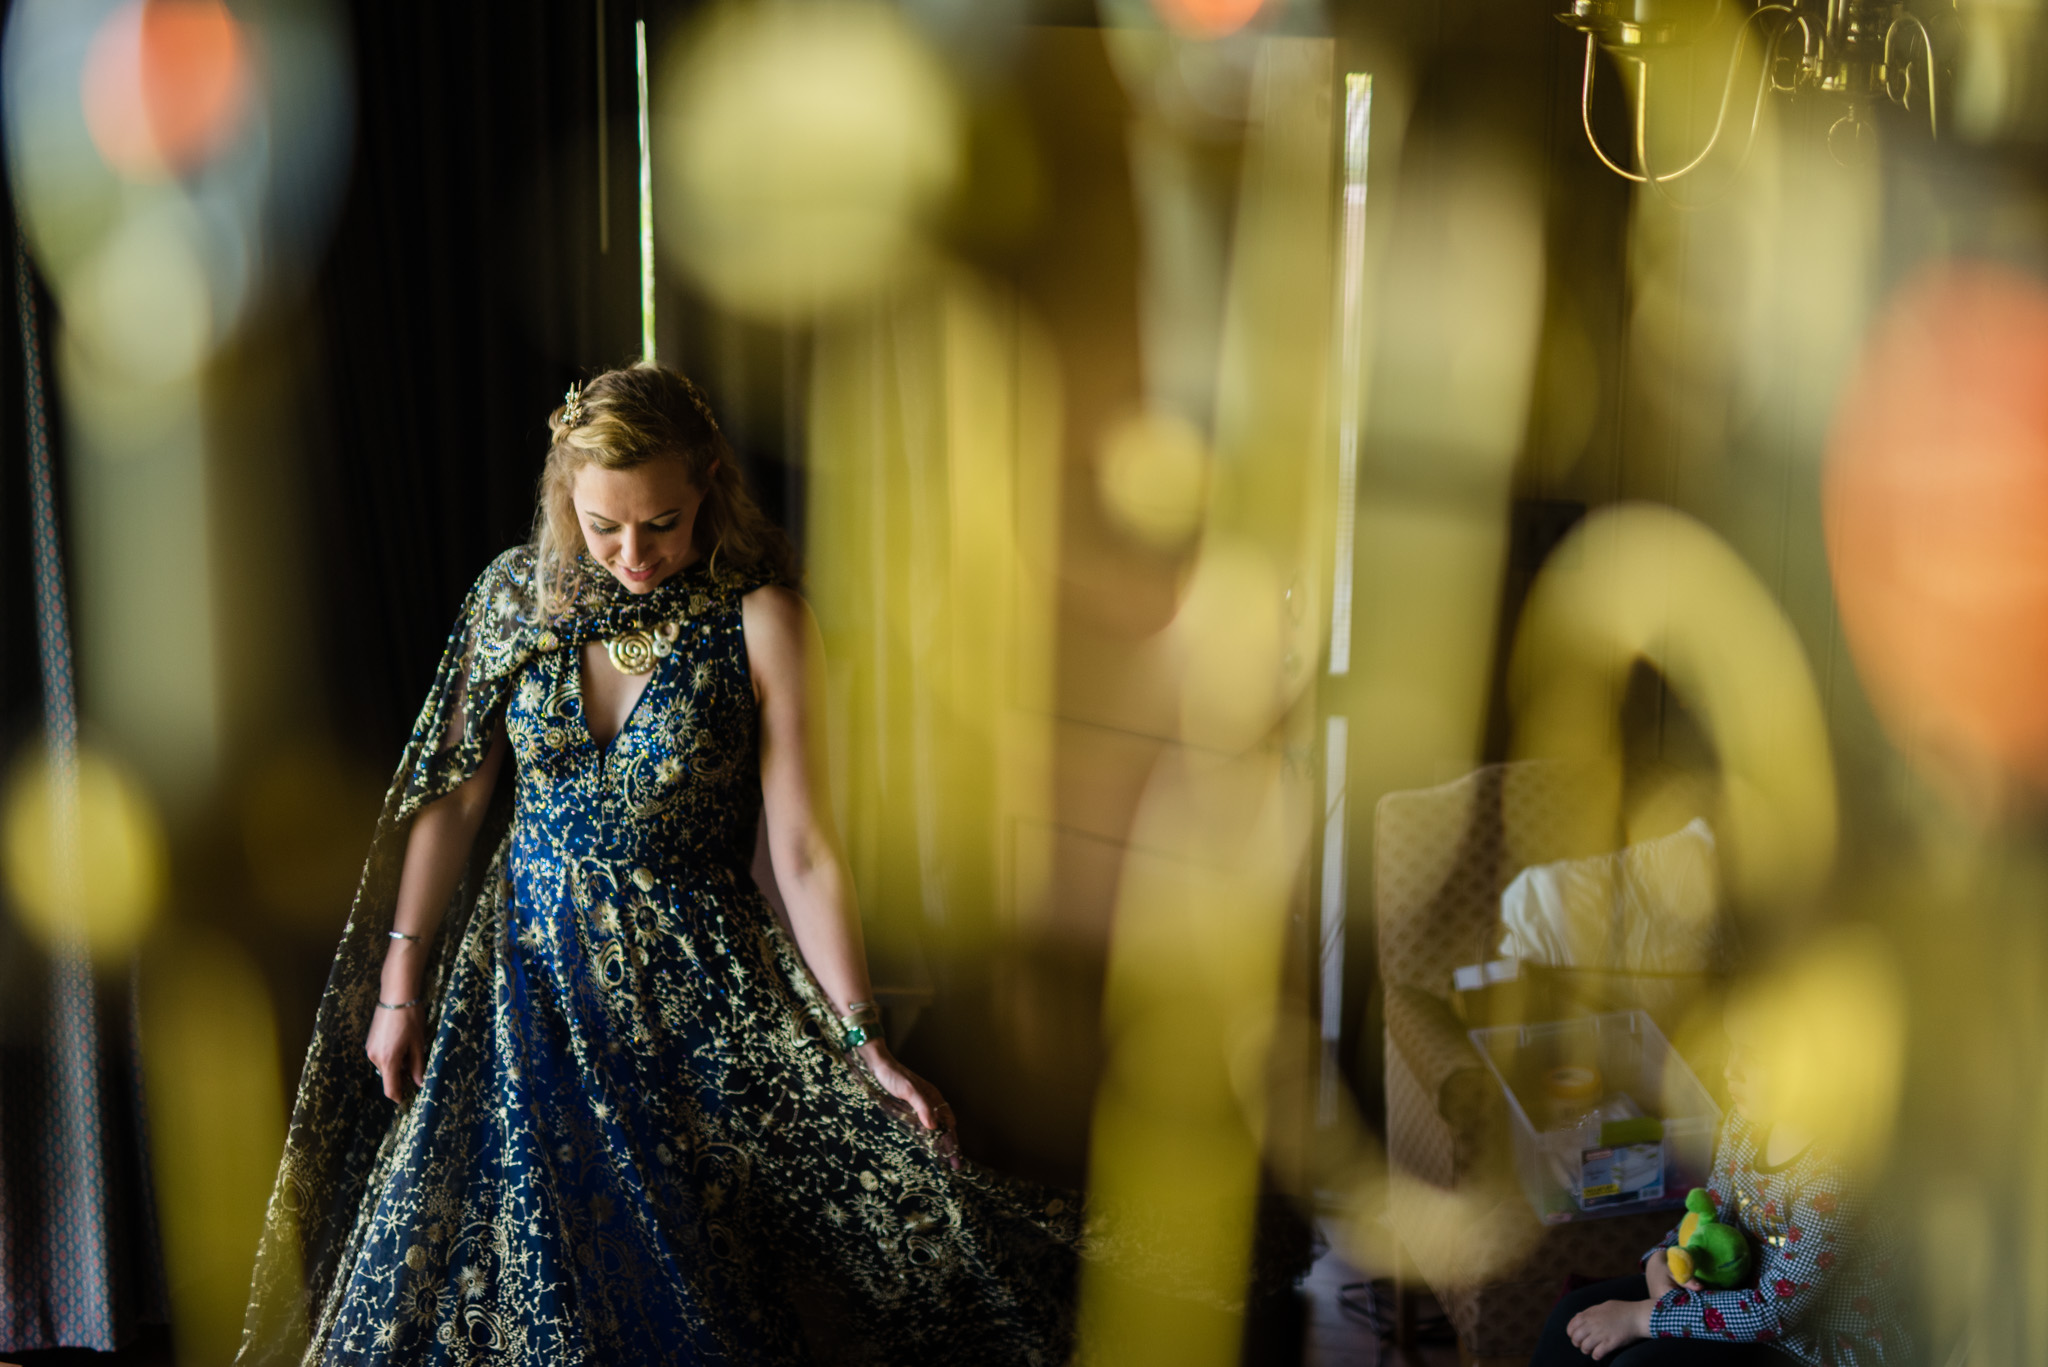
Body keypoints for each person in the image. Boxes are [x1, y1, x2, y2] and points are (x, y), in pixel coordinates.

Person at [237, 364, 1081, 1366]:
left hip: (693, 990)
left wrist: (862, 1036)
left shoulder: (763, 620)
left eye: (662, 523)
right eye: (603, 526)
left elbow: (803, 848)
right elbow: (454, 799)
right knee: (520, 1259)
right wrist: (398, 984)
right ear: (565, 497)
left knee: (703, 1268)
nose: (633, 553)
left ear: (708, 485)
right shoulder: (511, 599)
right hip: (522, 982)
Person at [1528, 1004, 1909, 1367]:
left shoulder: (1836, 1173)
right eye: (1731, 1049)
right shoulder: (1748, 1122)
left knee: (1641, 1363)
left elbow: (1771, 1314)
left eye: (1754, 1057)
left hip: (1814, 1343)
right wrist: (1661, 1258)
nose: (1731, 1070)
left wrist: (1642, 1317)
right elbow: (1710, 1209)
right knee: (1572, 1314)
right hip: (1735, 1295)